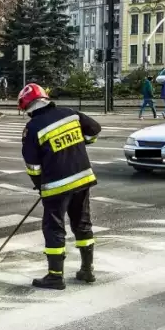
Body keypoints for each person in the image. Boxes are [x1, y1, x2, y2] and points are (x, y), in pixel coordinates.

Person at [19, 83, 101, 290]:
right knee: (82, 223)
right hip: (82, 179)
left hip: (56, 185)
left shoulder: (33, 128)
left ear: (28, 107)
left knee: (54, 227)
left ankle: (55, 276)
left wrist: (39, 185)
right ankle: (87, 270)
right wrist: (81, 142)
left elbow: (33, 165)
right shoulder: (70, 113)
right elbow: (94, 130)